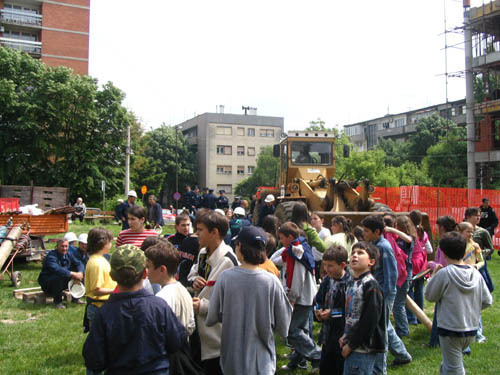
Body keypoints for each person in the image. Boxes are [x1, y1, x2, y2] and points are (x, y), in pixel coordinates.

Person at [82, 245, 186, 374]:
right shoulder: (159, 307)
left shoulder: (105, 313)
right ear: (144, 273)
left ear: (112, 276)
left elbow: (94, 359)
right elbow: (177, 341)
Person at [206, 225, 292, 375]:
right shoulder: (271, 281)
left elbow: (212, 316)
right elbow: (284, 325)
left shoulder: (226, 278)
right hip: (262, 362)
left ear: (240, 246)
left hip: (231, 360)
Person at [424, 232, 492, 375]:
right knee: (450, 363)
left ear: (444, 253)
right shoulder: (475, 274)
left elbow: (429, 295)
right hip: (471, 328)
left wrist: (434, 275)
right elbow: (487, 301)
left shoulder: (445, 273)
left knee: (453, 368)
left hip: (450, 329)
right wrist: (470, 309)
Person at [187, 210, 238, 374]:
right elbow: (192, 273)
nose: (196, 234)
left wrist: (202, 306)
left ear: (214, 232)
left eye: (200, 229)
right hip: (199, 330)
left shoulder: (229, 261)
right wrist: (194, 280)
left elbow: (233, 304)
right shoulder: (202, 253)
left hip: (217, 337)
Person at [361, 215, 412, 374]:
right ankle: (403, 355)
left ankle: (379, 369)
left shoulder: (384, 247)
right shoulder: (373, 244)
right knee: (385, 326)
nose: (364, 233)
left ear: (377, 232)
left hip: (384, 293)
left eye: (367, 231)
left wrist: (384, 295)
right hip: (377, 291)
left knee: (380, 330)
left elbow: (392, 274)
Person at [278, 222, 321, 372]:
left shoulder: (296, 251)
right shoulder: (298, 247)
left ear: (290, 237)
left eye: (282, 238)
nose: (281, 241)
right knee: (301, 330)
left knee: (292, 331)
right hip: (306, 296)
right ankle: (296, 362)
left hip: (302, 297)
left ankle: (318, 356)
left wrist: (292, 297)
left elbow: (297, 277)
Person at [339, 241, 386, 375]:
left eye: (360, 253)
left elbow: (370, 319)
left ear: (371, 262)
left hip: (363, 348)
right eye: (353, 253)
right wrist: (345, 336)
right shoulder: (351, 283)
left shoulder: (371, 285)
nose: (354, 255)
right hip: (351, 343)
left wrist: (352, 344)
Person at [314, 245, 352, 375]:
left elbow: (350, 310)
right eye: (325, 265)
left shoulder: (349, 283)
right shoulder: (327, 280)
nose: (326, 269)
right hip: (327, 333)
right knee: (325, 365)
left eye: (330, 266)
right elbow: (318, 299)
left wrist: (332, 313)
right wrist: (318, 311)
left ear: (342, 265)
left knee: (339, 366)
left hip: (341, 333)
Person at [145, 240, 195, 335]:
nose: (146, 271)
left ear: (162, 269)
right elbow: (191, 326)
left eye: (148, 267)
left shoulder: (162, 298)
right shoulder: (183, 290)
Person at [83, 226, 116, 362]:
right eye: (110, 241)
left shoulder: (100, 260)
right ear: (102, 243)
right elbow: (96, 290)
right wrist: (116, 291)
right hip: (98, 307)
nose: (112, 244)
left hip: (103, 307)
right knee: (98, 343)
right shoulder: (97, 263)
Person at [37, 239, 84, 309]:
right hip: (48, 283)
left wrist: (80, 273)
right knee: (59, 277)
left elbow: (79, 263)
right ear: (57, 246)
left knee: (81, 274)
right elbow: (56, 269)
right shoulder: (51, 256)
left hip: (63, 281)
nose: (64, 248)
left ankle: (76, 298)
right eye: (62, 246)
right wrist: (72, 274)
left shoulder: (68, 254)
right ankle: (58, 302)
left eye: (66, 246)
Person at [407, 210, 433, 325]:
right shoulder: (423, 233)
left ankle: (411, 317)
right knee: (419, 290)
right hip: (422, 264)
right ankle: (420, 315)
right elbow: (430, 250)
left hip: (412, 264)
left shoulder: (410, 233)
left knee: (409, 290)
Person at [166, 213, 200, 287]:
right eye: (183, 225)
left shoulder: (193, 240)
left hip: (189, 278)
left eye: (188, 225)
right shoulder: (170, 240)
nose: (186, 228)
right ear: (176, 227)